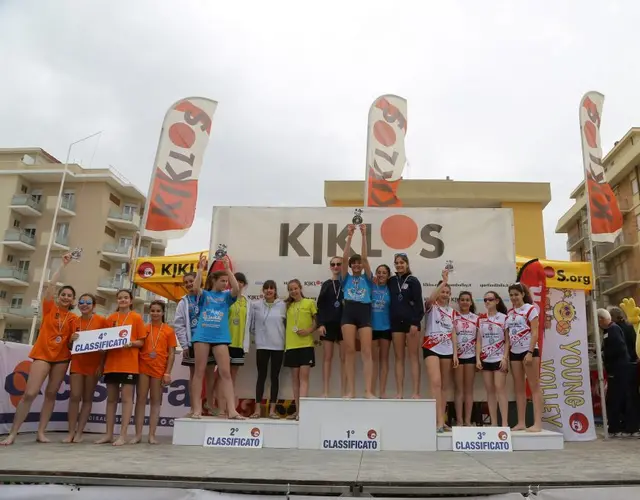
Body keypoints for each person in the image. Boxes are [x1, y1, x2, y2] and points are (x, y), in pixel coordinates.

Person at [1, 254, 76, 446]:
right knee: (30, 393)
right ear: (58, 297)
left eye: (69, 295)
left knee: (51, 394)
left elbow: (70, 344)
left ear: (73, 299)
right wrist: (63, 265)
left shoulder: (73, 319)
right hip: (43, 355)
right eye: (63, 294)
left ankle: (41, 432)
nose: (66, 297)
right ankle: (13, 434)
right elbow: (50, 285)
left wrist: (74, 339)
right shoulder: (50, 308)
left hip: (61, 358)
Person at [190, 253, 244, 420]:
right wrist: (200, 269)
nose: (225, 284)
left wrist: (228, 270)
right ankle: (197, 409)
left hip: (220, 337)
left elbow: (236, 289)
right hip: (202, 335)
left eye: (226, 281)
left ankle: (232, 410)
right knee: (199, 372)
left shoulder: (227, 297)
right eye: (222, 281)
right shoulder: (205, 295)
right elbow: (196, 288)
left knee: (225, 373)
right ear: (213, 281)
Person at [96, 289, 147, 445]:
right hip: (111, 364)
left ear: (131, 301)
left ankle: (123, 435)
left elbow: (141, 342)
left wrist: (130, 343)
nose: (123, 300)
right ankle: (108, 434)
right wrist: (102, 351)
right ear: (116, 300)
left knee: (126, 400)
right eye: (120, 298)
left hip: (129, 365)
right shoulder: (110, 318)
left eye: (126, 298)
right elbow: (104, 340)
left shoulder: (136, 318)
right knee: (111, 400)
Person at [65, 293, 108, 443]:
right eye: (81, 302)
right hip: (77, 363)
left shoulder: (102, 321)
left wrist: (101, 364)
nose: (84, 305)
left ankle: (79, 432)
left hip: (94, 364)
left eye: (88, 302)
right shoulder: (74, 321)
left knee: (87, 398)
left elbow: (107, 344)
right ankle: (70, 432)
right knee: (75, 396)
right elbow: (69, 346)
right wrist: (71, 340)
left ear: (94, 305)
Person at [174, 272, 218, 417]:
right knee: (194, 375)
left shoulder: (206, 296)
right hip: (192, 342)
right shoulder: (183, 302)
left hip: (209, 340)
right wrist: (184, 345)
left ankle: (210, 405)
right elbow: (179, 324)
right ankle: (194, 407)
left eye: (191, 281)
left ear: (198, 281)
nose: (188, 284)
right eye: (186, 282)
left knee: (210, 374)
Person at [132, 300, 177, 444]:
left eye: (158, 311)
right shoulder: (144, 328)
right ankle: (138, 434)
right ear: (149, 312)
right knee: (140, 400)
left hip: (159, 369)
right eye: (152, 311)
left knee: (156, 401)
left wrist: (167, 372)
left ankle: (152, 435)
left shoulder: (169, 330)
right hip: (143, 367)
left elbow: (171, 353)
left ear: (163, 313)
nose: (155, 313)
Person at [341, 224, 374, 398]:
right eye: (354, 263)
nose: (356, 264)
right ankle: (351, 391)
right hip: (349, 311)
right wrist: (349, 236)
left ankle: (368, 391)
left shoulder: (367, 279)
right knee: (349, 350)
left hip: (364, 311)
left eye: (358, 263)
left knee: (367, 351)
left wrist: (363, 235)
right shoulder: (345, 278)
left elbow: (365, 258)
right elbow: (344, 259)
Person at [423, 269, 458, 432]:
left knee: (444, 386)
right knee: (435, 383)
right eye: (442, 291)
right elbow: (430, 298)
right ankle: (437, 420)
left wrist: (456, 354)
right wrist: (443, 281)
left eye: (447, 292)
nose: (444, 294)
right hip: (431, 347)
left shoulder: (452, 312)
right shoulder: (432, 306)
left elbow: (453, 333)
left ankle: (442, 421)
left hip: (447, 349)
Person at [506, 282, 542, 432]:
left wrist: (529, 351)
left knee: (534, 386)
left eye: (516, 294)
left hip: (529, 351)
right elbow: (508, 335)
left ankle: (538, 423)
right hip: (514, 352)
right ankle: (521, 422)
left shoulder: (531, 309)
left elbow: (535, 332)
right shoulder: (510, 313)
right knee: (519, 388)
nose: (514, 298)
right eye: (511, 295)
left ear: (522, 294)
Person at [597, 308, 639, 437]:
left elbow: (620, 348)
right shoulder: (614, 329)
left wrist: (604, 354)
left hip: (620, 369)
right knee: (624, 398)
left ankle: (622, 427)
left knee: (620, 398)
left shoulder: (613, 329)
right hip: (624, 367)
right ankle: (625, 426)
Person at [388, 253, 424, 399]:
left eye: (402, 262)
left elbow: (419, 304)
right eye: (396, 263)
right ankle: (399, 392)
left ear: (407, 264)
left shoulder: (413, 281)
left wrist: (416, 322)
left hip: (411, 324)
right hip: (396, 324)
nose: (399, 265)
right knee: (399, 358)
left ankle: (415, 392)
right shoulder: (391, 281)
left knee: (413, 357)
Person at [249, 280, 286, 418]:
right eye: (266, 288)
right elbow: (251, 325)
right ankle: (257, 410)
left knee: (274, 377)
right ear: (263, 291)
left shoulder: (283, 305)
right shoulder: (255, 305)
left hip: (278, 346)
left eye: (272, 288)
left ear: (275, 290)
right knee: (261, 376)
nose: (269, 291)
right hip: (262, 345)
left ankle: (272, 410)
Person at [284, 279, 317, 420]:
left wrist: (309, 330)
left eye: (295, 288)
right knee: (295, 380)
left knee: (304, 379)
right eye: (290, 289)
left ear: (300, 288)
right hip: (291, 346)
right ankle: (298, 411)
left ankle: (303, 412)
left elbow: (317, 321)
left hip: (306, 346)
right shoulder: (286, 306)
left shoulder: (309, 303)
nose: (293, 291)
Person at [476, 291, 509, 426]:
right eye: (485, 300)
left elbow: (507, 340)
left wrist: (505, 358)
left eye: (490, 299)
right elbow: (478, 340)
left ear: (497, 301)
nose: (487, 302)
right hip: (485, 359)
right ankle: (494, 424)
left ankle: (505, 424)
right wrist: (478, 359)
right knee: (489, 391)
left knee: (499, 389)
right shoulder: (481, 319)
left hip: (499, 358)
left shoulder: (504, 318)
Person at [316, 256, 345, 398]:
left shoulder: (348, 282)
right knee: (327, 357)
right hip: (328, 325)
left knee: (344, 358)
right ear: (330, 267)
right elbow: (320, 306)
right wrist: (320, 324)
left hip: (344, 325)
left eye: (338, 264)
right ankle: (326, 391)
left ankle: (345, 391)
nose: (336, 266)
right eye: (333, 264)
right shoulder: (327, 284)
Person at [453, 291, 478, 426]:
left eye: (467, 300)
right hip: (458, 357)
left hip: (471, 356)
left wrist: (478, 359)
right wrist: (454, 355)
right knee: (459, 389)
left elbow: (479, 340)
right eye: (462, 299)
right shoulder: (454, 317)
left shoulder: (476, 318)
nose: (464, 302)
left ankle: (468, 421)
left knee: (469, 389)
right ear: (458, 301)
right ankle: (459, 421)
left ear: (471, 302)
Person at [228, 272, 252, 396]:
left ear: (244, 285)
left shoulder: (247, 301)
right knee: (222, 375)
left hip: (239, 344)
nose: (238, 284)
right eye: (236, 281)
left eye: (241, 282)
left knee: (233, 376)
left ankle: (229, 405)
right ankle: (220, 406)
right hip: (225, 343)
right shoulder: (226, 298)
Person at [371, 264, 392, 398]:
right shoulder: (371, 286)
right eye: (379, 272)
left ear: (388, 275)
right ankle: (371, 391)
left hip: (386, 327)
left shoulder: (391, 289)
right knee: (373, 361)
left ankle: (382, 392)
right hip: (372, 327)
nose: (381, 275)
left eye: (384, 273)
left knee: (384, 360)